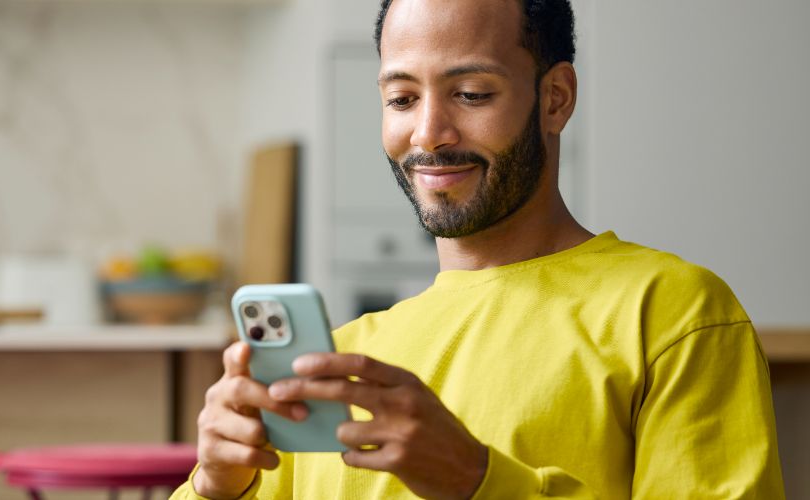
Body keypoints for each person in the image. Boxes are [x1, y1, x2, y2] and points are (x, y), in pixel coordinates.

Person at [172, 0, 786, 498]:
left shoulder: (673, 313)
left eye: (471, 93)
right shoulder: (346, 360)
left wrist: (475, 481)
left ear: (556, 98)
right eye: (402, 98)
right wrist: (217, 485)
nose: (428, 135)